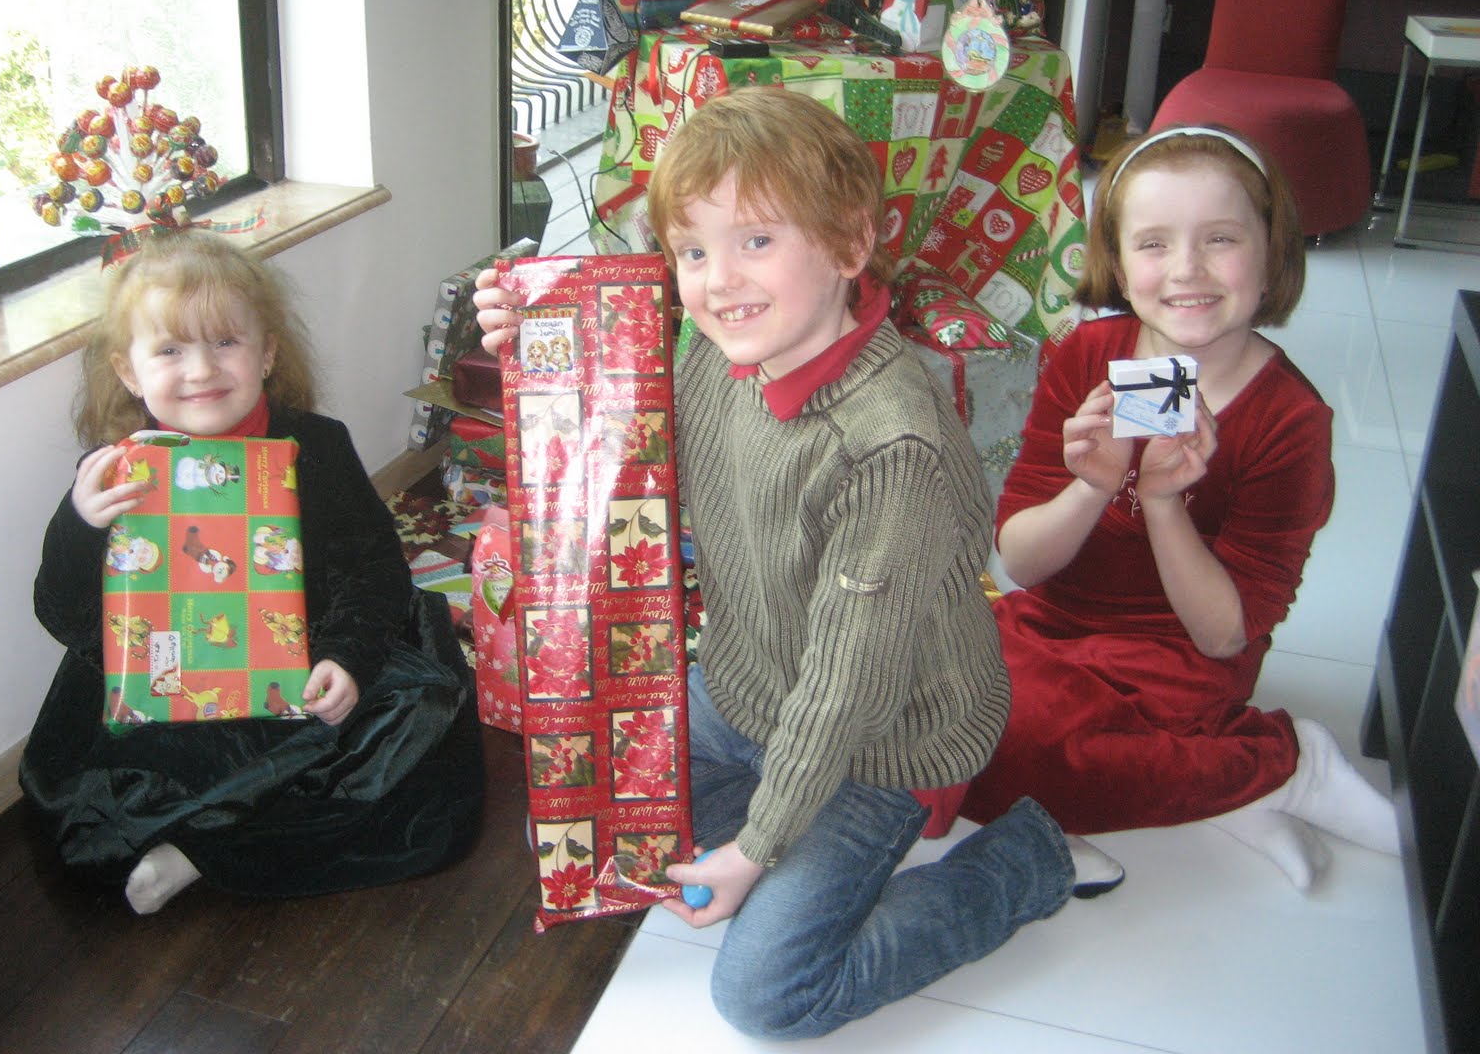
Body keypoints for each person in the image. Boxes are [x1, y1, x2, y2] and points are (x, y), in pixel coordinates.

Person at [475, 87, 1120, 1041]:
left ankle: (1024, 858)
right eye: (693, 251)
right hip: (743, 690)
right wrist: (536, 346)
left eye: (758, 241)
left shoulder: (889, 448)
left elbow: (844, 687)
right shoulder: (720, 352)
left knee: (766, 995)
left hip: (878, 739)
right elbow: (618, 447)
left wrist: (760, 849)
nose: (718, 280)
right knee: (580, 831)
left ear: (852, 245)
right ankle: (767, 828)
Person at [958, 125, 1397, 892]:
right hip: (1050, 628)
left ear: (1271, 253)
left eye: (1220, 239)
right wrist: (1092, 486)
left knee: (1017, 750)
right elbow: (1021, 566)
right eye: (1154, 243)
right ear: (1119, 263)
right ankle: (1219, 794)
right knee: (932, 711)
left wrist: (1164, 504)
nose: (1187, 270)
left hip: (1177, 660)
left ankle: (1287, 766)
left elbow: (1223, 634)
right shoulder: (1088, 357)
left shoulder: (1289, 420)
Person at [19, 230, 485, 915]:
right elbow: (63, 612)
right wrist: (80, 524)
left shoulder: (316, 445)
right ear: (128, 372)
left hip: (305, 663)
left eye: (225, 343)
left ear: (266, 354)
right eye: (170, 350)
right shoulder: (116, 474)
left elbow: (373, 570)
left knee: (427, 745)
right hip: (173, 687)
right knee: (93, 814)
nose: (201, 370)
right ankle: (217, 838)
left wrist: (346, 660)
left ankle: (200, 852)